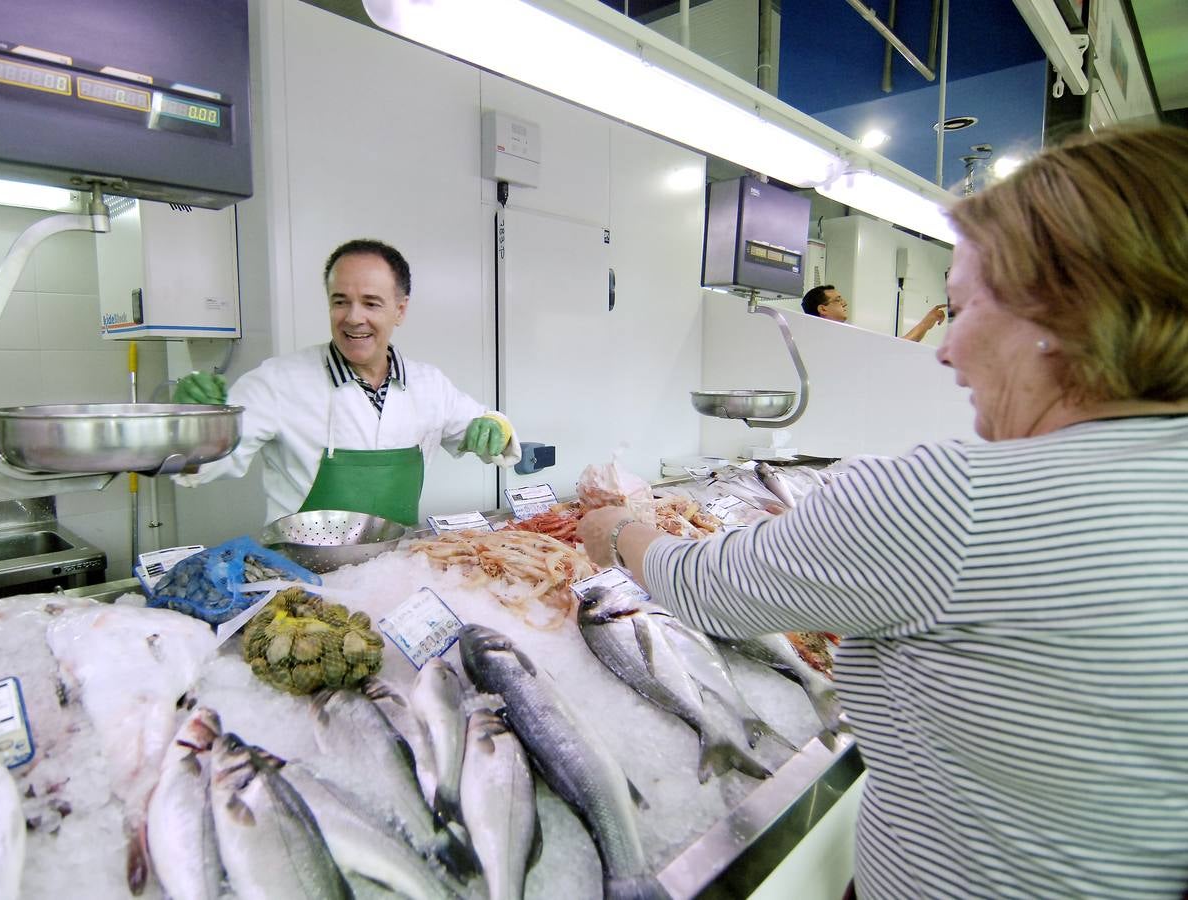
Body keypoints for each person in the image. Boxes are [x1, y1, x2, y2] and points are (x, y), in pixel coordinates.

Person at [580, 126, 1188, 898]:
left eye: (959, 309)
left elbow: (710, 589)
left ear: (1058, 315)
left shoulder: (954, 498)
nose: (942, 349)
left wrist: (616, 530)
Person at [172, 239, 520, 526]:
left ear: (400, 310)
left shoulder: (430, 386)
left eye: (371, 303)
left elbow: (490, 429)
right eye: (341, 302)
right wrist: (193, 423)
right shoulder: (277, 381)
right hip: (301, 578)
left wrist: (497, 427)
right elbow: (202, 462)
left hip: (395, 569)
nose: (354, 318)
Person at [802, 283, 946, 342]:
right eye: (838, 300)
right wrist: (926, 323)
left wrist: (927, 322)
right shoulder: (829, 340)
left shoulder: (840, 336)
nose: (844, 303)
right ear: (823, 309)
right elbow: (897, 349)